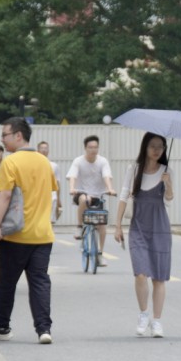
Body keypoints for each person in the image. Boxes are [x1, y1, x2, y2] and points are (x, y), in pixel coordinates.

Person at [0, 118, 58, 344]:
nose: (2, 139)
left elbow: (5, 196)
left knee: (7, 283)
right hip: (43, 235)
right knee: (40, 282)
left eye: (5, 135)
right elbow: (49, 191)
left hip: (16, 235)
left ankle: (1, 326)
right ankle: (44, 330)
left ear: (18, 136)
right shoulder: (44, 162)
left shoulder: (10, 163)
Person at [114, 133, 174, 338]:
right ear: (145, 147)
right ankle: (143, 314)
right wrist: (118, 225)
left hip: (160, 228)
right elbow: (123, 196)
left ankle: (157, 321)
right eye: (153, 146)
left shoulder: (166, 171)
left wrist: (168, 184)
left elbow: (169, 200)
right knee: (140, 273)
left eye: (161, 147)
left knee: (159, 278)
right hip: (138, 227)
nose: (157, 150)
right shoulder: (134, 169)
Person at [67, 135, 115, 266]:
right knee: (84, 198)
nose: (93, 150)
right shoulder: (78, 161)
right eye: (90, 147)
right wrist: (72, 188)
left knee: (102, 225)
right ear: (85, 148)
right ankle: (79, 226)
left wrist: (110, 189)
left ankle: (100, 253)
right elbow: (72, 176)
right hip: (81, 193)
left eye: (96, 147)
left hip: (98, 196)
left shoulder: (102, 161)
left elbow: (106, 176)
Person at [36, 141, 63, 223]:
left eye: (46, 148)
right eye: (42, 148)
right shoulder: (34, 165)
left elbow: (57, 183)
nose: (44, 150)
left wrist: (58, 200)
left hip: (52, 196)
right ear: (38, 150)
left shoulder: (54, 166)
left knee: (50, 221)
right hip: (37, 196)